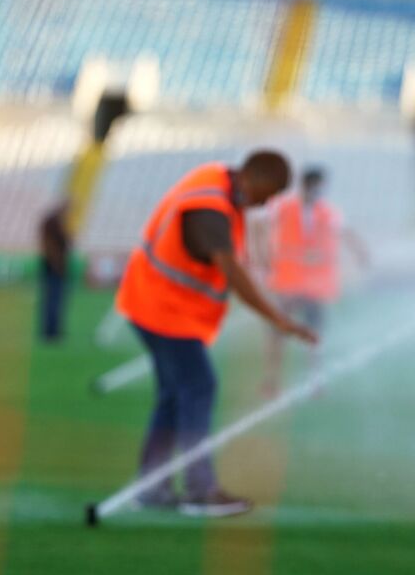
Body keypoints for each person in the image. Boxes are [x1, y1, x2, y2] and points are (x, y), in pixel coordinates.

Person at [116, 151, 317, 517]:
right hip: (163, 310)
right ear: (249, 180)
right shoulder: (210, 209)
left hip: (152, 303)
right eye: (265, 195)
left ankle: (153, 486)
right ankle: (199, 490)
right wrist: (278, 319)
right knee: (199, 386)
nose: (264, 205)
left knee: (174, 395)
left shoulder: (216, 179)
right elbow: (233, 273)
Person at [260, 167, 368, 396]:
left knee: (314, 333)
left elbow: (347, 233)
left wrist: (361, 254)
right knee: (278, 333)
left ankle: (315, 380)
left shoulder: (328, 212)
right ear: (305, 185)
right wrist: (262, 256)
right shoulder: (284, 207)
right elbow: (259, 224)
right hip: (287, 283)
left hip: (315, 287)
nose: (319, 191)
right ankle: (272, 380)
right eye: (315, 185)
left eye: (322, 186)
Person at [38, 203, 71, 340]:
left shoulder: (51, 222)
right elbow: (62, 243)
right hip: (55, 265)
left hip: (52, 264)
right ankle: (51, 331)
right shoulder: (54, 222)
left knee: (52, 299)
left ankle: (50, 330)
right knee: (54, 299)